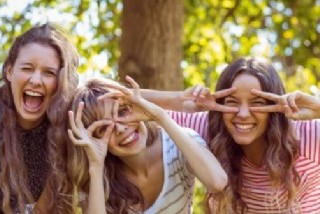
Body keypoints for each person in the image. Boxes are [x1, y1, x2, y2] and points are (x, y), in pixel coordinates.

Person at [143, 57, 320, 213]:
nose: (243, 113)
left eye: (257, 103)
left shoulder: (308, 136)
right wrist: (177, 99)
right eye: (232, 102)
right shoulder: (210, 129)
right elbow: (119, 98)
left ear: (275, 108)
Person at [0, 24, 79, 213]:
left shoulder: (63, 126)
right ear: (9, 72)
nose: (36, 80)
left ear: (60, 82)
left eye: (49, 73)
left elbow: (119, 100)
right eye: (27, 68)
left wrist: (134, 98)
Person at [65, 76, 228, 214]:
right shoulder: (96, 176)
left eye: (122, 112)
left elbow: (217, 182)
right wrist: (96, 165)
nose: (120, 128)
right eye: (103, 128)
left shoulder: (177, 144)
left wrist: (160, 116)